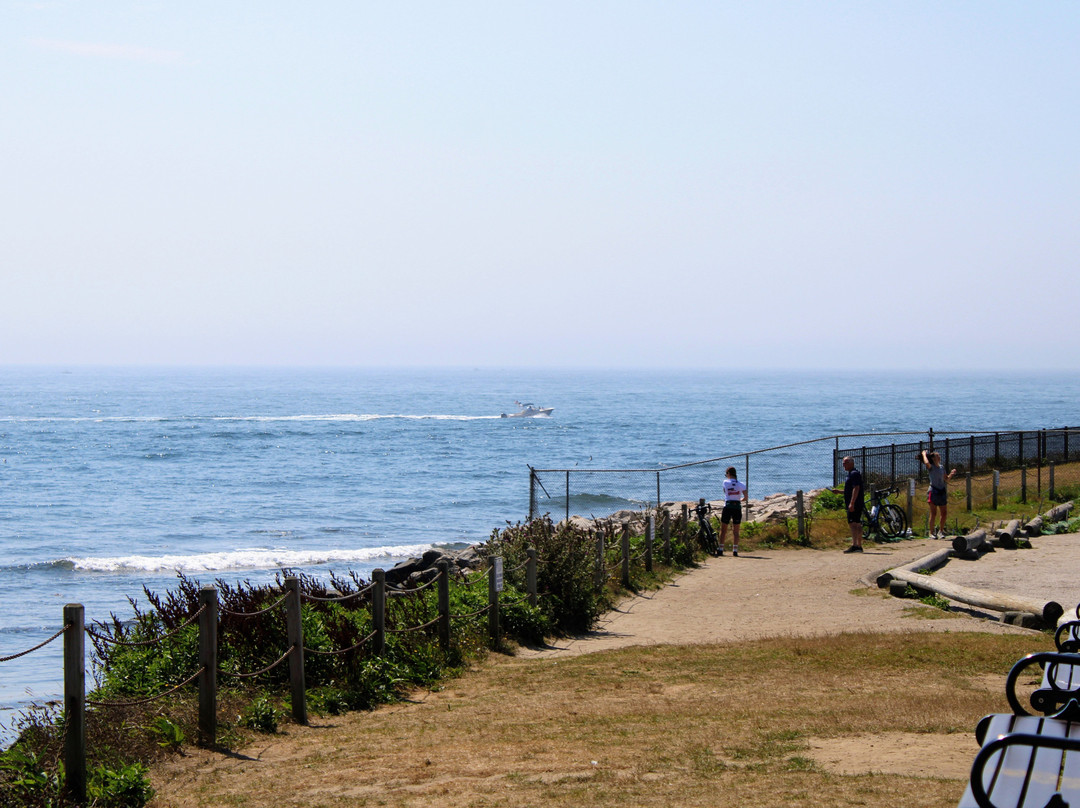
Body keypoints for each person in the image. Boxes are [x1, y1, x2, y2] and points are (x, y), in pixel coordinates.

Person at [921, 449, 956, 538]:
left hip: (941, 491)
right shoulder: (931, 467)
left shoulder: (941, 467)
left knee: (944, 512)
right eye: (937, 456)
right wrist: (924, 454)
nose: (939, 457)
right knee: (933, 513)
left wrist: (951, 474)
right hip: (933, 491)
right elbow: (926, 463)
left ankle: (941, 531)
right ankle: (931, 533)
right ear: (933, 458)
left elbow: (946, 479)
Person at [832, 456, 864, 553]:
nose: (843, 465)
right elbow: (849, 490)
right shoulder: (852, 474)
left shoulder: (854, 474)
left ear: (851, 463)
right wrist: (840, 492)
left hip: (855, 503)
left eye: (845, 463)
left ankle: (855, 545)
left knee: (853, 524)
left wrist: (852, 503)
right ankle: (859, 545)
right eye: (843, 463)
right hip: (856, 502)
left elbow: (856, 488)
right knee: (857, 523)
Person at [719, 466, 748, 556]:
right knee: (736, 530)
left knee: (723, 529)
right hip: (737, 507)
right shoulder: (741, 484)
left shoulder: (725, 482)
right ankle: (735, 550)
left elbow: (725, 492)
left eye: (726, 474)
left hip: (728, 506)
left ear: (729, 474)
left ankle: (720, 549)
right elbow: (746, 497)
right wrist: (740, 499)